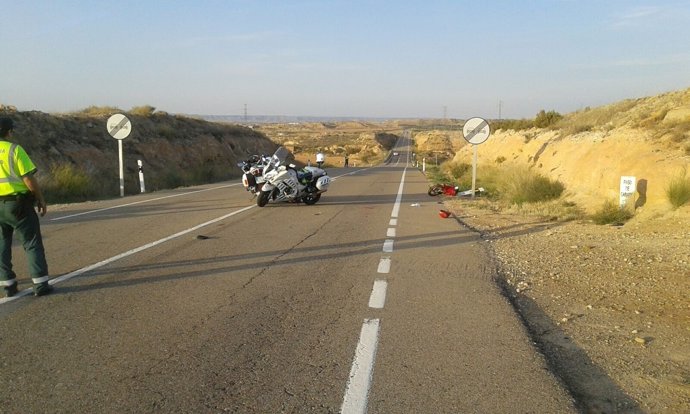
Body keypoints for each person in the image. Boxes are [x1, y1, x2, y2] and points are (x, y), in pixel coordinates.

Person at [0, 117, 52, 297]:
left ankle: (7, 284)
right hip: (18, 204)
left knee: (2, 244)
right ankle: (40, 284)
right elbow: (28, 178)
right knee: (31, 243)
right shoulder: (14, 149)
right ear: (9, 132)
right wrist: (40, 199)